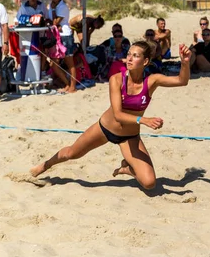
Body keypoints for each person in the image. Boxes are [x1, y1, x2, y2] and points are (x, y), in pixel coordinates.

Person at [31, 41, 191, 191]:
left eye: (135, 56)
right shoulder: (116, 79)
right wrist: (143, 120)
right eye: (129, 54)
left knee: (149, 183)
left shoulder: (151, 81)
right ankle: (44, 165)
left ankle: (128, 168)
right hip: (105, 129)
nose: (129, 58)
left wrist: (184, 63)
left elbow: (181, 81)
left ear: (145, 61)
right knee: (72, 153)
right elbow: (118, 115)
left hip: (129, 136)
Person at [48, 0, 77, 93]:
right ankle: (67, 83)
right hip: (56, 35)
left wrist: (54, 10)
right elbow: (50, 20)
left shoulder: (62, 6)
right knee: (53, 63)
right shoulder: (51, 6)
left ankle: (73, 86)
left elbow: (55, 21)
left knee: (70, 63)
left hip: (65, 35)